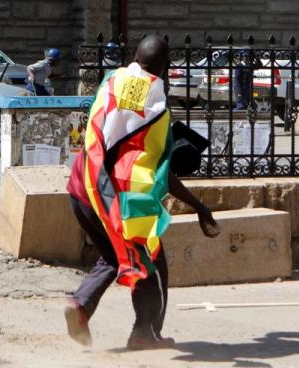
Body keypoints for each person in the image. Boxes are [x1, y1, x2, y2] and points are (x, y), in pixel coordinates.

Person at [64, 34, 220, 350]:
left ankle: (80, 306)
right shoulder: (159, 111)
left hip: (83, 188)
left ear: (134, 56)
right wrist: (199, 206)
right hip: (117, 201)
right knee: (151, 259)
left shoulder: (112, 81)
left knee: (115, 254)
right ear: (165, 68)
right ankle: (144, 333)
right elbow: (163, 175)